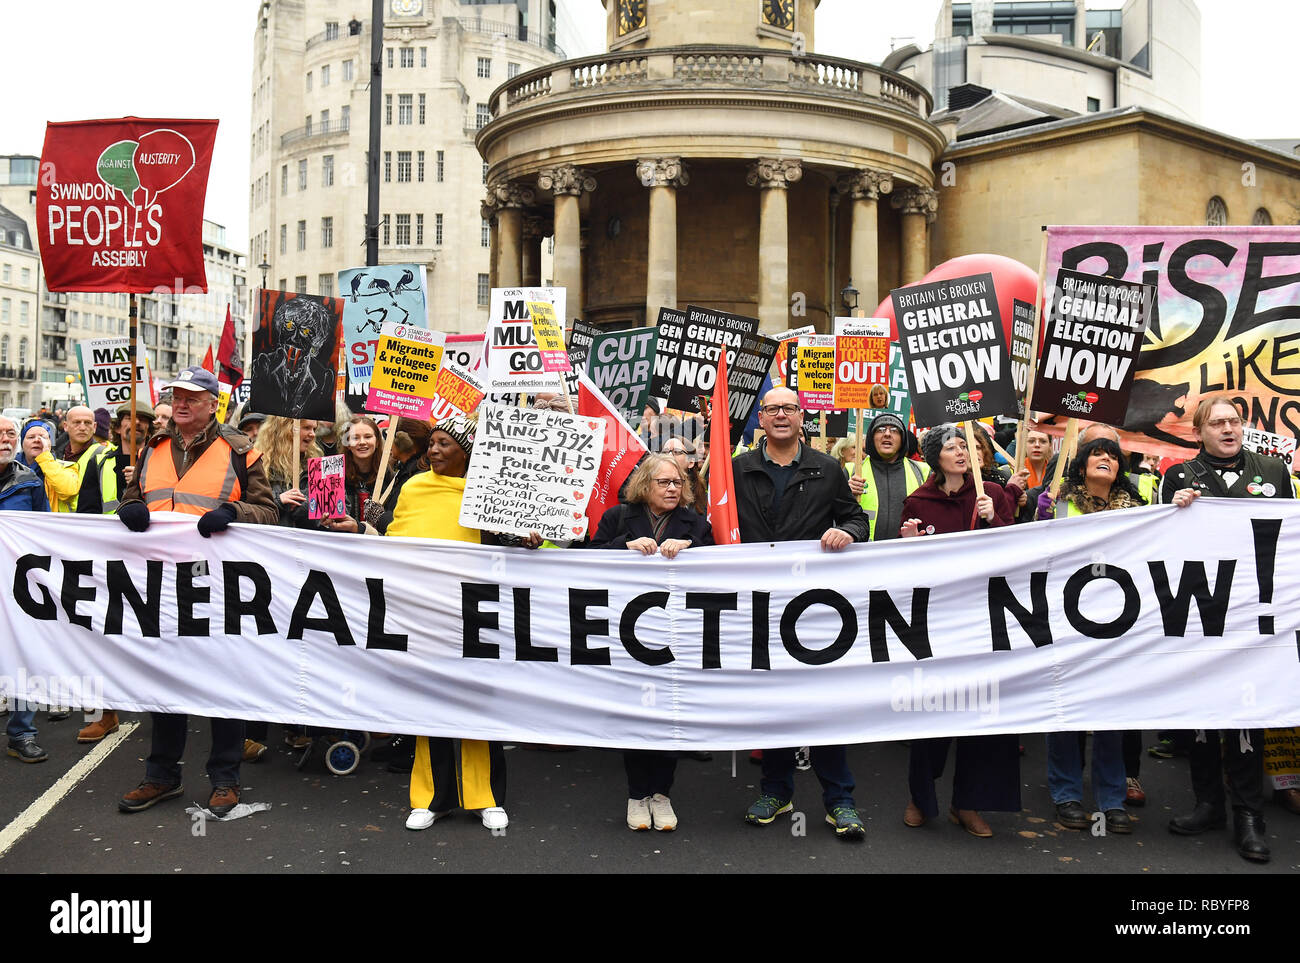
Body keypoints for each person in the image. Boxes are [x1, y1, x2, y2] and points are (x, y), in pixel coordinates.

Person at [114, 366, 278, 817]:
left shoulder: (241, 450)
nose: (181, 403)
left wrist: (232, 511)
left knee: (222, 681)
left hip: (218, 586)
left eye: (191, 397)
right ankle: (161, 776)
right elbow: (131, 496)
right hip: (163, 587)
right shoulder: (155, 447)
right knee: (165, 680)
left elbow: (269, 511)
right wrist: (130, 509)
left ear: (212, 404)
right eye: (176, 396)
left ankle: (225, 779)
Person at [733, 387, 871, 839]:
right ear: (761, 420)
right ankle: (776, 790)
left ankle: (840, 800)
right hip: (757, 604)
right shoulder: (738, 470)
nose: (779, 415)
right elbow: (713, 524)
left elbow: (856, 519)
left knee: (824, 703)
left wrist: (846, 532)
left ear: (801, 417)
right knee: (774, 704)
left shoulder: (826, 468)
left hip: (811, 608)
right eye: (771, 409)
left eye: (788, 409)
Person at [1161, 395, 1294, 864]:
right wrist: (1172, 510)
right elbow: (1162, 546)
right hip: (1201, 613)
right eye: (1216, 423)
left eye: (1234, 420)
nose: (1228, 428)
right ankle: (1208, 804)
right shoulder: (1179, 476)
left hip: (1256, 613)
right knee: (1202, 715)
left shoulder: (1275, 472)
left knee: (1245, 714)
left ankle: (1249, 816)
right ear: (1199, 432)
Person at [387, 415, 511, 833]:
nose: (434, 451)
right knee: (431, 702)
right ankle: (431, 797)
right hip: (425, 612)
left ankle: (486, 797)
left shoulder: (489, 493)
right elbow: (393, 542)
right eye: (432, 444)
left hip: (477, 612)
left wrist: (523, 536)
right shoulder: (413, 488)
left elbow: (506, 547)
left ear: (466, 452)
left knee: (478, 701)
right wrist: (364, 527)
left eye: (445, 444)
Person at [899, 424, 1020, 838]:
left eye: (963, 446)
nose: (960, 452)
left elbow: (1016, 554)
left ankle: (967, 803)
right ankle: (920, 797)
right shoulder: (918, 500)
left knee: (979, 716)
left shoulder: (992, 494)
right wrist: (909, 543)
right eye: (950, 447)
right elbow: (906, 568)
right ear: (935, 457)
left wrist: (996, 519)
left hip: (986, 620)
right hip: (937, 623)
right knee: (933, 716)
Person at [589, 453, 714, 831]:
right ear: (645, 485)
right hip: (629, 636)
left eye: (678, 482)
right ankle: (636, 795)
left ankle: (662, 794)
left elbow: (720, 566)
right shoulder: (616, 518)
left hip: (675, 635)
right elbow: (585, 560)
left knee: (667, 714)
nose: (674, 488)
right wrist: (621, 549)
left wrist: (693, 552)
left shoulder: (695, 523)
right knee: (636, 714)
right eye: (665, 482)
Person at [1036, 435, 1147, 835]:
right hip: (1065, 620)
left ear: (1121, 467)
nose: (1106, 458)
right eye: (1097, 453)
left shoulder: (1138, 509)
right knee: (1065, 709)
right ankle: (1066, 793)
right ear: (1081, 463)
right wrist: (1039, 518)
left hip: (1116, 621)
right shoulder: (1056, 501)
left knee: (1110, 713)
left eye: (1113, 455)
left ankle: (1111, 800)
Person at [74, 402, 157, 744]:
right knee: (98, 636)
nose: (133, 427)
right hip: (108, 560)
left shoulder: (158, 462)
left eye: (142, 423)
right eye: (128, 421)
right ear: (118, 426)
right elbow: (87, 510)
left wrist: (139, 485)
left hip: (150, 560)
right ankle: (102, 713)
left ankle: (164, 706)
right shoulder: (100, 460)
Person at [0, 415, 51, 763]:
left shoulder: (28, 481)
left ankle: (21, 732)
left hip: (15, 587)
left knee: (22, 655)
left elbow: (45, 531)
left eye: (10, 434)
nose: (6, 439)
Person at [846, 412, 931, 541]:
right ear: (871, 437)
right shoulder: (852, 471)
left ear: (902, 439)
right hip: (863, 553)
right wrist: (845, 494)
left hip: (908, 554)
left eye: (894, 430)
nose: (887, 434)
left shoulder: (923, 471)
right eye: (880, 430)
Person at [75, 402, 155, 516]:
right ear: (118, 428)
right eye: (129, 418)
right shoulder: (99, 463)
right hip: (107, 532)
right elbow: (86, 513)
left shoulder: (159, 462)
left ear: (149, 431)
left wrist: (141, 482)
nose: (136, 422)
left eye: (142, 419)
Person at [16, 420, 80, 512]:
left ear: (51, 443)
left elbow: (68, 491)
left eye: (43, 437)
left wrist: (45, 458)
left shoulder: (67, 467)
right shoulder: (9, 468)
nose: (37, 440)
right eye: (31, 437)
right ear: (22, 443)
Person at [53, 405, 108, 511]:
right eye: (77, 422)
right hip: (57, 523)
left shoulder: (104, 455)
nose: (82, 428)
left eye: (87, 423)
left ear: (95, 427)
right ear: (66, 426)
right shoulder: (55, 455)